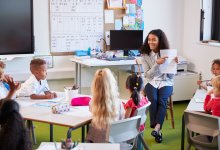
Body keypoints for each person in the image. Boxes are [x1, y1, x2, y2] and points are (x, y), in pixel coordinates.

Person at [140, 29, 178, 143]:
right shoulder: (145, 55)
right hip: (151, 81)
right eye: (149, 39)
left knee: (162, 100)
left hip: (166, 81)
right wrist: (157, 64)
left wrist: (174, 64)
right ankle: (158, 131)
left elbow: (171, 77)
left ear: (160, 41)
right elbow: (147, 74)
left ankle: (157, 128)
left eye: (154, 40)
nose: (150, 42)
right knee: (154, 99)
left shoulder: (168, 53)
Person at [86, 68, 125, 143]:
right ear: (112, 84)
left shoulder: (92, 103)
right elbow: (122, 120)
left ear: (95, 86)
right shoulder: (119, 103)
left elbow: (91, 110)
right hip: (115, 143)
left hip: (96, 143)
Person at [124, 73, 149, 150]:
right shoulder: (145, 99)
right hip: (140, 127)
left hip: (131, 130)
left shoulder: (131, 102)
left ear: (127, 87)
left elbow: (126, 119)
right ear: (141, 87)